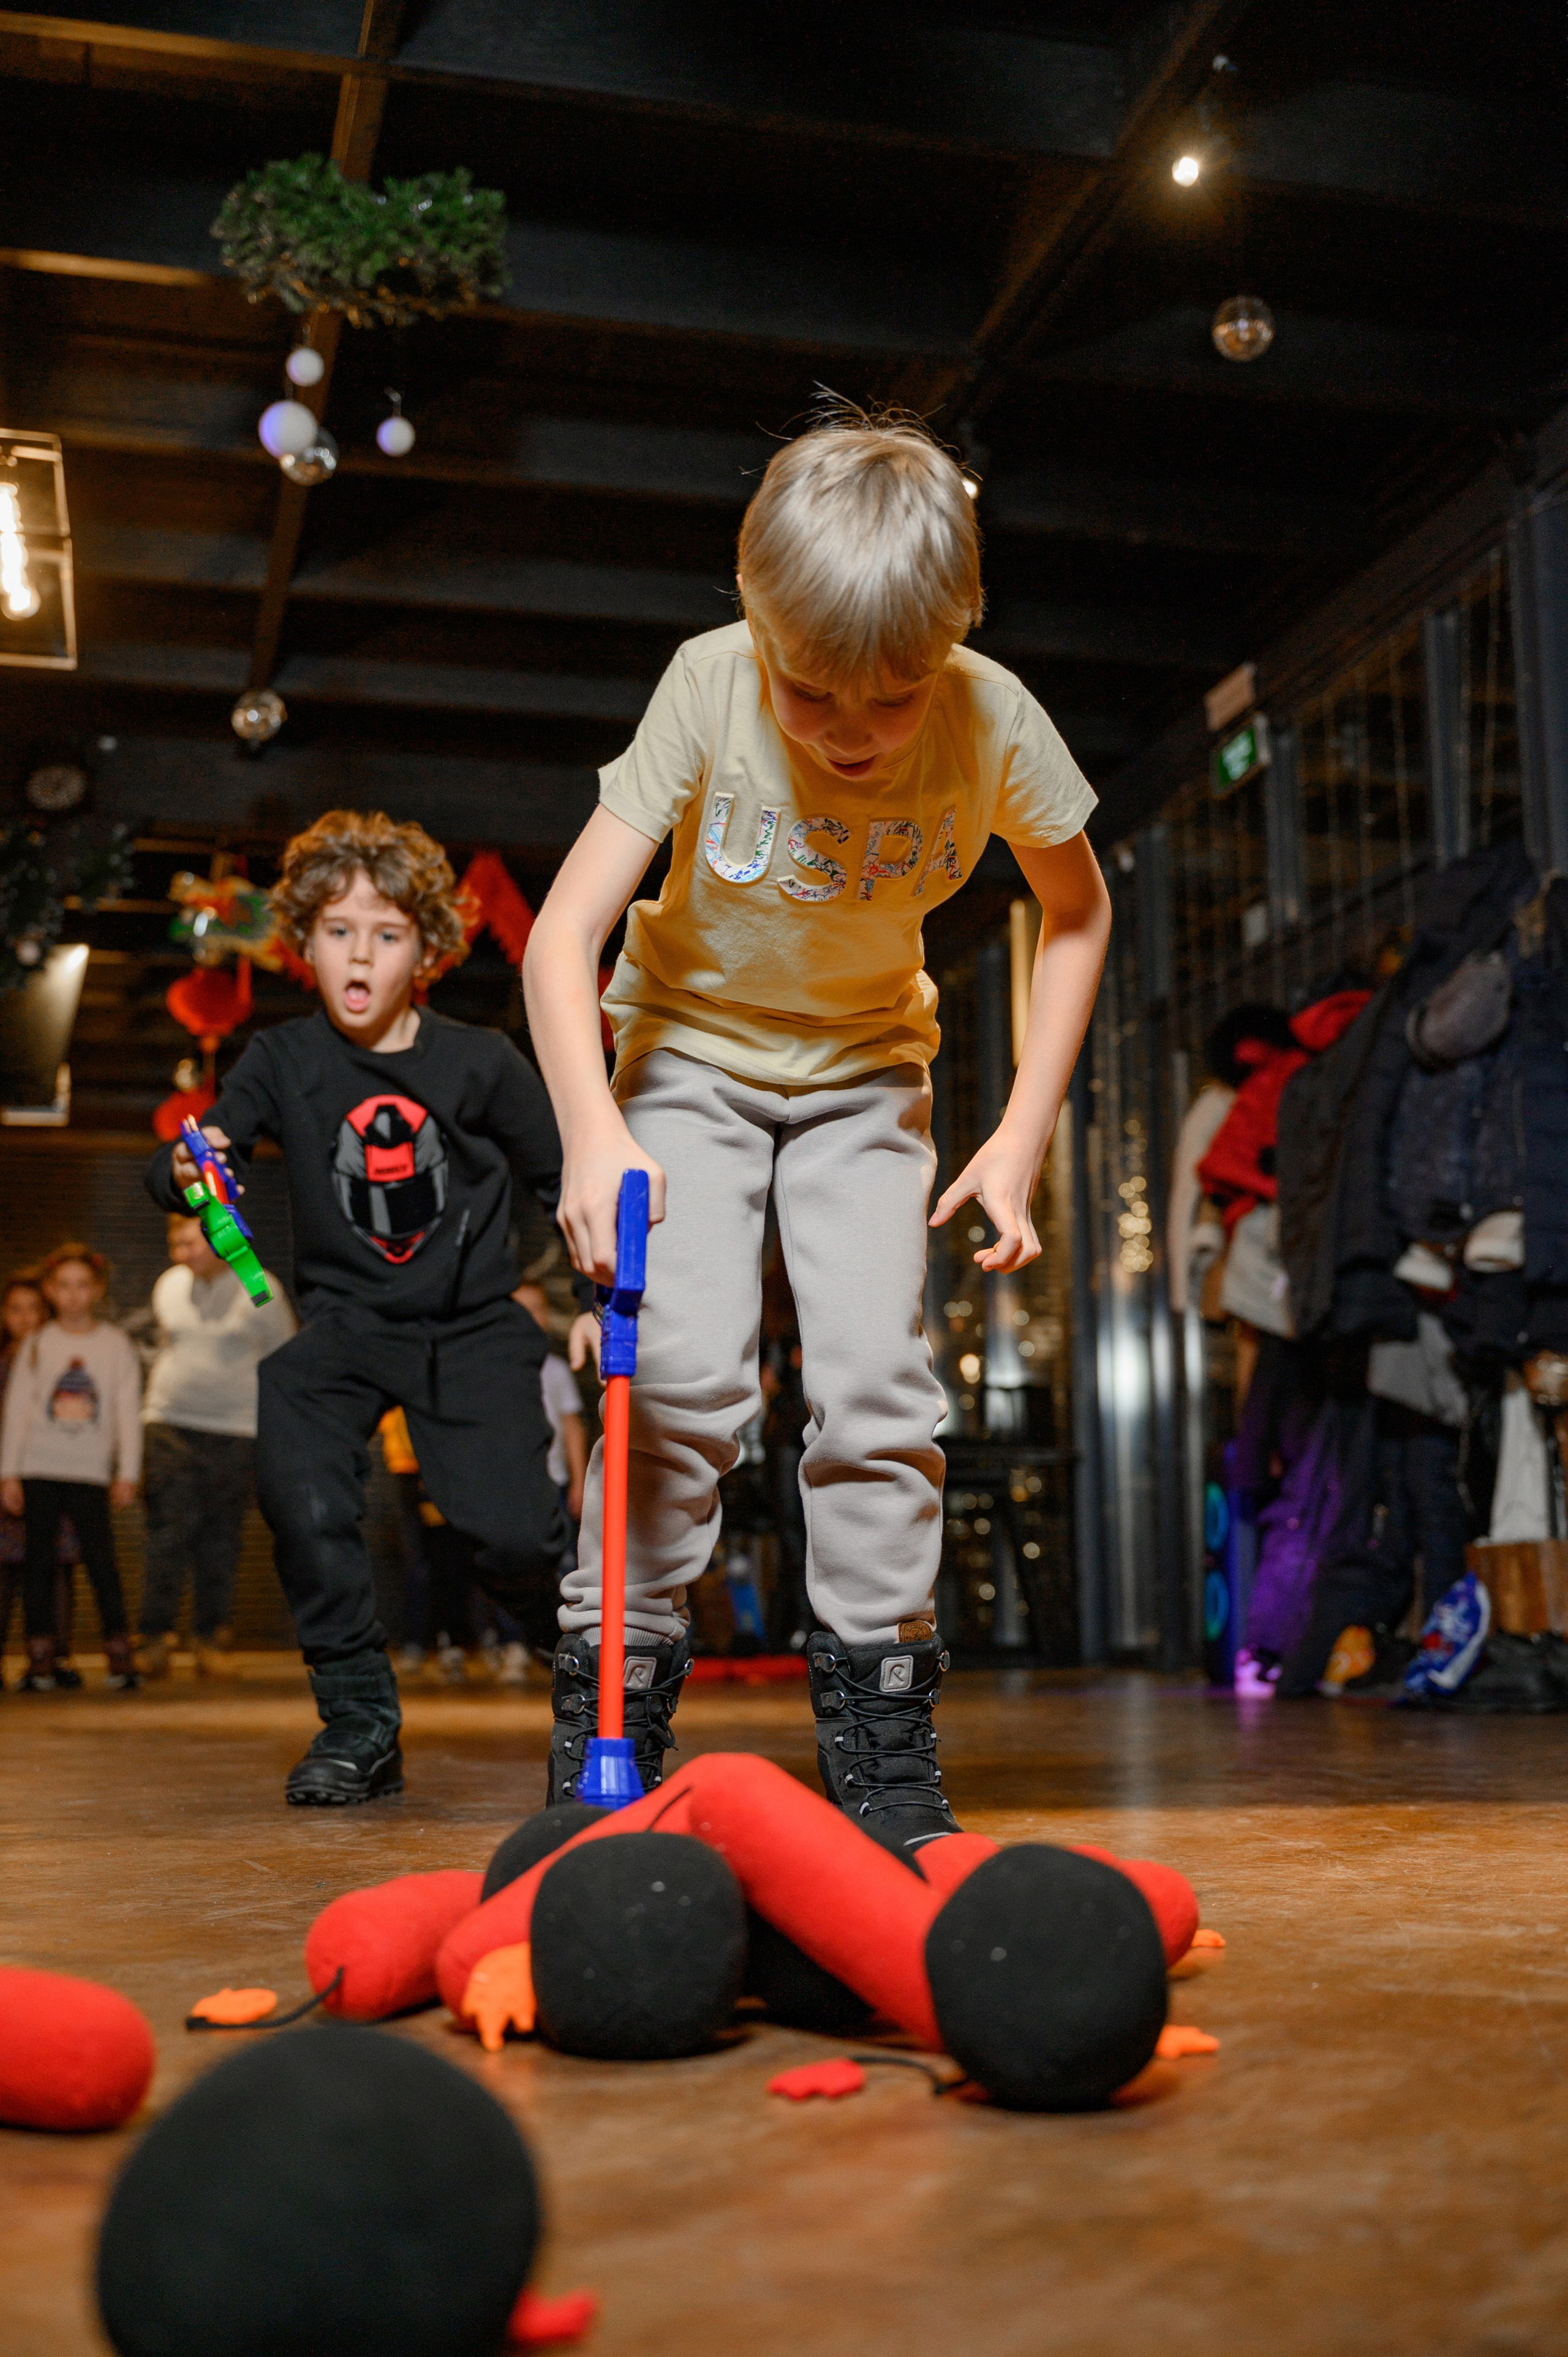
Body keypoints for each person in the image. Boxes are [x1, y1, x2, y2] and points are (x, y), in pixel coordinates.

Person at [524, 407, 1110, 1850]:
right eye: (812, 695)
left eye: (892, 697)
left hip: (863, 1069)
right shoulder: (706, 684)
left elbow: (1080, 908)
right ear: (753, 619)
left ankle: (881, 1729)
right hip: (684, 1056)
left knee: (878, 1391)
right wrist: (596, 1129)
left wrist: (1021, 1128)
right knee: (680, 1379)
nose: (853, 733)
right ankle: (612, 1702)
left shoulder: (993, 716)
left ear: (956, 631)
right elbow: (558, 941)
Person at [144, 810, 593, 1806]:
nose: (360, 951)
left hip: (472, 1328)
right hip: (345, 1326)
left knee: (513, 1534)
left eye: (386, 933)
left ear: (426, 950)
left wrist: (598, 1295)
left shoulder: (481, 1063)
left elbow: (569, 1178)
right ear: (303, 941)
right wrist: (185, 1166)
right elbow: (201, 1155)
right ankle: (359, 1721)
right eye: (338, 928)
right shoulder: (279, 1059)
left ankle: (592, 1690)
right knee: (301, 1490)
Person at [136, 1212, 296, 1680]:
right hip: (169, 1424)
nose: (179, 1253)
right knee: (166, 1533)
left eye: (189, 1243)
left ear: (220, 1238)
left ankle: (211, 1638)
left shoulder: (257, 1281)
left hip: (235, 1430)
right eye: (174, 1242)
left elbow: (284, 1353)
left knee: (220, 1538)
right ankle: (154, 1638)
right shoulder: (169, 1284)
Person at [0, 1244, 143, 1691]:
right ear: (51, 1290)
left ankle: (119, 1655)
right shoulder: (40, 1344)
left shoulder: (115, 1344)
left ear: (97, 1289)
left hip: (90, 1471)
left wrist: (128, 1471)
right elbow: (19, 1407)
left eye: (83, 1285)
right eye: (64, 1286)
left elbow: (126, 1409)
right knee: (39, 1561)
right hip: (40, 1466)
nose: (74, 1295)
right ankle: (41, 1656)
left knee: (101, 1561)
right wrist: (9, 1472)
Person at [0, 1274, 80, 1681]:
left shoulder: (60, 1360)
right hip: (9, 1479)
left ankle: (54, 1658)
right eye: (16, 1308)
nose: (25, 1318)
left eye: (34, 1309)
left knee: (56, 1567)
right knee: (5, 1571)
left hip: (53, 1475)